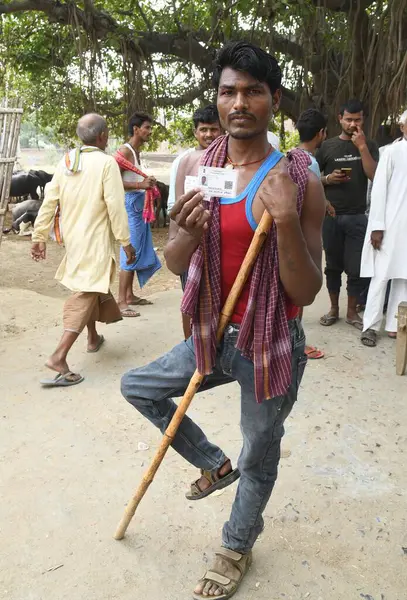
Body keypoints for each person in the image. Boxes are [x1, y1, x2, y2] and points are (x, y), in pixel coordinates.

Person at [121, 41, 325, 599]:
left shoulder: (298, 177)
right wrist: (183, 233)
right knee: (136, 386)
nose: (240, 103)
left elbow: (307, 288)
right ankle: (214, 463)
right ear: (218, 99)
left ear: (273, 100)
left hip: (271, 342)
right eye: (229, 91)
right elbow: (176, 263)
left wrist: (284, 221)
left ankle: (235, 545)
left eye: (253, 91)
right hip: (212, 334)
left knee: (261, 450)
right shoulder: (200, 168)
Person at [31, 113, 135, 387]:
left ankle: (92, 338)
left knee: (92, 285)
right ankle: (58, 356)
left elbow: (50, 199)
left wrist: (38, 234)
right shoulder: (106, 163)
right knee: (88, 291)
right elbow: (115, 205)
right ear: (103, 136)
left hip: (74, 239)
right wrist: (126, 241)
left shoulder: (67, 161)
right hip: (95, 241)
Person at [316, 99, 379, 331]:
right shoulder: (327, 146)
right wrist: (327, 179)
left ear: (363, 120)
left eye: (357, 119)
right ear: (339, 119)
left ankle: (352, 312)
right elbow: (311, 177)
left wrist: (361, 147)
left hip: (357, 217)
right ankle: (334, 309)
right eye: (349, 119)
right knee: (332, 266)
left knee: (355, 268)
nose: (353, 124)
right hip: (331, 216)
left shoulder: (369, 144)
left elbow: (374, 176)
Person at [168, 104, 222, 339]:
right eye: (203, 130)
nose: (209, 135)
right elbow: (177, 202)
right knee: (190, 296)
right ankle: (190, 346)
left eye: (213, 129)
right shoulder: (185, 161)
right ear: (195, 132)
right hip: (191, 237)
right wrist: (176, 241)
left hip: (220, 238)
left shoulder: (230, 158)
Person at [360, 111, 407, 347]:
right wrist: (377, 227)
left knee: (404, 277)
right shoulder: (390, 152)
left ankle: (395, 325)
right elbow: (378, 191)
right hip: (389, 226)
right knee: (381, 276)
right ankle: (370, 326)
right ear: (402, 126)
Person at [117, 112, 161, 317]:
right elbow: (111, 181)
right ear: (136, 129)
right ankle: (120, 302)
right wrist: (140, 184)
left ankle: (129, 296)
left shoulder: (135, 151)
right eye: (147, 128)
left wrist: (145, 186)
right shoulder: (124, 152)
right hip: (130, 206)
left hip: (137, 204)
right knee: (130, 250)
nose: (149, 132)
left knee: (136, 249)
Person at [296, 108, 330, 360]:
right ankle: (297, 342)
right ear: (321, 134)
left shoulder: (287, 156)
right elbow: (311, 204)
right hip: (301, 236)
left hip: (286, 233)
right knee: (300, 292)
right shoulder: (311, 162)